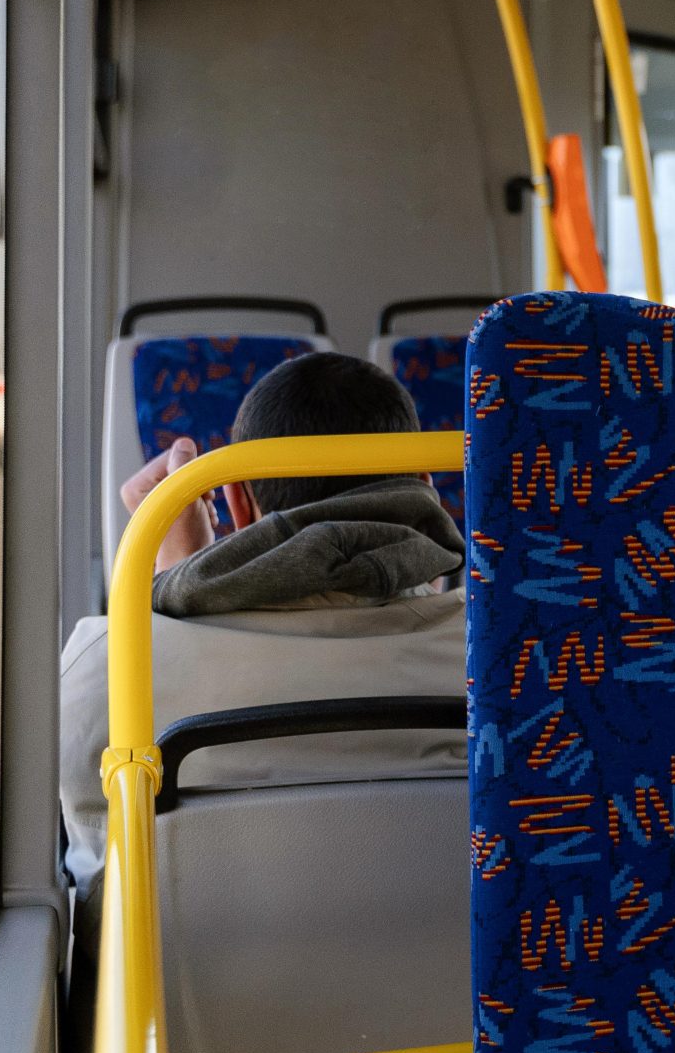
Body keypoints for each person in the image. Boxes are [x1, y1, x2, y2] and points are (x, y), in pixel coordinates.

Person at [59, 350, 467, 892]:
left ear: (237, 501)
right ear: (424, 483)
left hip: (185, 976)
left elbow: (94, 864)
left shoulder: (110, 666)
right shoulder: (520, 658)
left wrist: (183, 584)